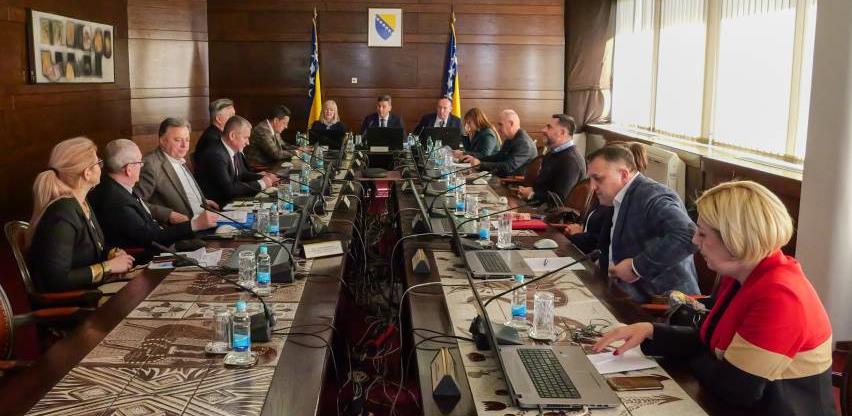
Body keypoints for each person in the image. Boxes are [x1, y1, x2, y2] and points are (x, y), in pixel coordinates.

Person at [593, 181, 835, 415]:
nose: (694, 241)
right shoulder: (744, 273)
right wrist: (650, 331)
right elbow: (708, 339)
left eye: (702, 234)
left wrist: (698, 354)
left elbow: (736, 389)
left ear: (734, 239)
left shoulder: (780, 296)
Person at [587, 145, 699, 302]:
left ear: (623, 174)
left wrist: (637, 267)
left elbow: (689, 235)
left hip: (660, 303)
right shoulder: (617, 197)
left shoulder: (653, 196)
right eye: (590, 179)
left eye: (598, 179)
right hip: (620, 290)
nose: (592, 186)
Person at [26, 137, 134, 293]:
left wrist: (112, 254)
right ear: (87, 173)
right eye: (98, 163)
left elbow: (90, 250)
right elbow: (56, 280)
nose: (101, 167)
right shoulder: (62, 213)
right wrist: (108, 267)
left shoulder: (82, 203)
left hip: (91, 292)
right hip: (73, 301)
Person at [89, 139, 217, 262]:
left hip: (157, 247)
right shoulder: (116, 201)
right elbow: (151, 238)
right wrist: (194, 224)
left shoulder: (119, 187)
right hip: (143, 259)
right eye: (140, 163)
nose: (142, 166)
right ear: (129, 169)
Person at [136, 117, 220, 225]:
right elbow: (136, 202)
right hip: (182, 230)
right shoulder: (151, 165)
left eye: (187, 140)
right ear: (162, 141)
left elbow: (182, 192)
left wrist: (201, 200)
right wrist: (168, 215)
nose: (184, 145)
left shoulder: (180, 159)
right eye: (178, 140)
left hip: (204, 218)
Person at [567, 141, 647, 254]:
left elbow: (602, 244)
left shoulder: (627, 202)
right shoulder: (607, 197)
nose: (592, 186)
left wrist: (577, 235)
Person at [194, 115, 278, 207]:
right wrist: (262, 183)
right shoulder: (216, 155)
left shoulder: (233, 148)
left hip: (233, 199)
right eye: (245, 137)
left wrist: (264, 177)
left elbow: (242, 174)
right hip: (219, 205)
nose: (248, 142)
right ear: (232, 136)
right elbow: (230, 190)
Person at [517, 114, 585, 205]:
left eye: (549, 127)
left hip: (549, 212)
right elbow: (543, 187)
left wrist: (532, 195)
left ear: (562, 133)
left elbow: (560, 200)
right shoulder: (551, 154)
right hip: (536, 206)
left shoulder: (571, 161)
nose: (543, 130)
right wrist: (530, 190)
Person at [461, 109, 537, 177]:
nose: (498, 129)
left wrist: (480, 164)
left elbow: (508, 167)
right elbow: (498, 157)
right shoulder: (511, 139)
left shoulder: (524, 143)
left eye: (501, 125)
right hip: (503, 178)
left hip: (515, 183)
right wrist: (477, 159)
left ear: (511, 124)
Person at [244, 105, 291, 169]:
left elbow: (284, 145)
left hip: (269, 165)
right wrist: (296, 152)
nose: (286, 126)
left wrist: (299, 149)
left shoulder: (275, 129)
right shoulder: (262, 130)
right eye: (284, 123)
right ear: (276, 120)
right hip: (256, 168)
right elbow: (276, 154)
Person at [193, 98, 235, 162]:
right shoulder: (213, 140)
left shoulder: (219, 134)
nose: (235, 119)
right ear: (219, 119)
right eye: (231, 116)